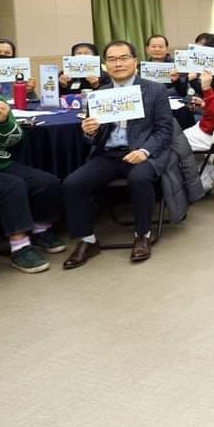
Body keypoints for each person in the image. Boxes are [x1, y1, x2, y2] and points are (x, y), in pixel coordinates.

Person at [61, 40, 175, 268]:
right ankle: (87, 240)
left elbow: (165, 130)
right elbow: (90, 139)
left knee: (139, 178)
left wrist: (144, 151)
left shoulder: (155, 90)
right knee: (72, 183)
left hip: (143, 152)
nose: (118, 64)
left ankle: (142, 235)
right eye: (112, 59)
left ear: (135, 61)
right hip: (109, 154)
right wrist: (90, 132)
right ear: (105, 64)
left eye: (124, 58)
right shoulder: (99, 94)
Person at [0, 98, 65, 272]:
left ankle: (40, 230)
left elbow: (13, 141)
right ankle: (19, 247)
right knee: (12, 186)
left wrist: (4, 121)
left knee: (46, 182)